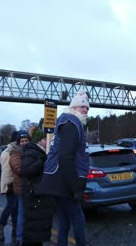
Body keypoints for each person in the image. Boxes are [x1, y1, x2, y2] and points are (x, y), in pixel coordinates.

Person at [41, 90, 90, 246]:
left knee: (64, 218)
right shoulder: (72, 123)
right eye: (82, 106)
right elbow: (66, 157)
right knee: (77, 217)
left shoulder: (66, 121)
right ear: (74, 106)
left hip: (56, 179)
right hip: (64, 181)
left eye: (87, 108)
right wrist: (75, 186)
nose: (85, 110)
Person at [14, 129, 55, 245]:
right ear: (39, 141)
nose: (47, 141)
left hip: (39, 196)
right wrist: (42, 160)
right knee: (32, 230)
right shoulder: (31, 152)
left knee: (37, 231)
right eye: (44, 139)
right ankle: (20, 238)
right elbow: (27, 170)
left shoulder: (39, 152)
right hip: (34, 196)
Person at [0, 130, 19, 241]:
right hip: (11, 182)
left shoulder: (5, 150)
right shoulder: (13, 151)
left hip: (7, 182)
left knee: (14, 207)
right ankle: (0, 229)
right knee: (11, 206)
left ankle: (14, 229)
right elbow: (13, 168)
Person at [8, 131, 30, 244]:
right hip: (21, 187)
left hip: (30, 186)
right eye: (22, 141)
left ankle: (27, 236)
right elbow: (18, 169)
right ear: (18, 142)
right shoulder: (15, 153)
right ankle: (20, 237)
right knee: (21, 212)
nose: (24, 143)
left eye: (26, 140)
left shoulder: (30, 151)